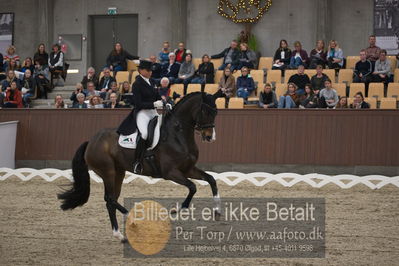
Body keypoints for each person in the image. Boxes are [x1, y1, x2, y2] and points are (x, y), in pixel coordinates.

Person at [117, 60, 165, 175]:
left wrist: (164, 102)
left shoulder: (152, 81)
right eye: (148, 70)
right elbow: (138, 103)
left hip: (153, 112)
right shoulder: (137, 84)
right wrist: (153, 104)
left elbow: (157, 96)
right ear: (141, 70)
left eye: (151, 70)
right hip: (142, 113)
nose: (150, 72)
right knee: (144, 134)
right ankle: (137, 162)